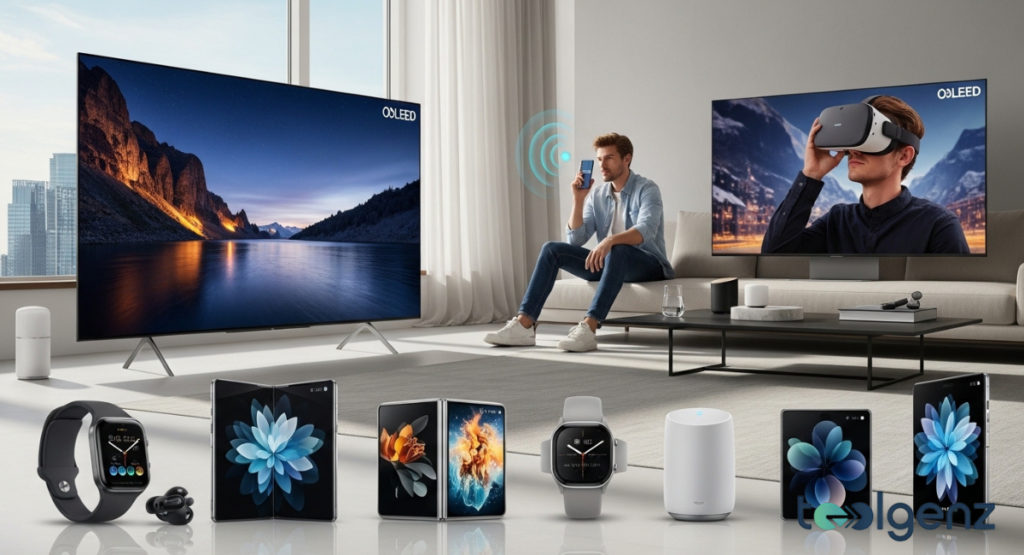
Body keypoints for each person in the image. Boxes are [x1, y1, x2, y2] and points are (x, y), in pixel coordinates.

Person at [484, 133, 673, 352]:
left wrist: (609, 241)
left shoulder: (647, 189)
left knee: (619, 249)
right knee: (552, 249)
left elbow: (646, 230)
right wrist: (579, 198)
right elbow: (575, 239)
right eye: (600, 159)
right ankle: (524, 324)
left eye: (609, 158)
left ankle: (589, 327)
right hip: (611, 261)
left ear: (627, 159)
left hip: (648, 264)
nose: (602, 165)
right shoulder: (598, 194)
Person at [760, 95, 970, 254]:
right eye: (854, 139)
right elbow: (774, 256)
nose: (854, 150)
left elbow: (955, 297)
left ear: (904, 156)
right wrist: (811, 174)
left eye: (870, 139)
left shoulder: (938, 225)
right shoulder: (836, 220)